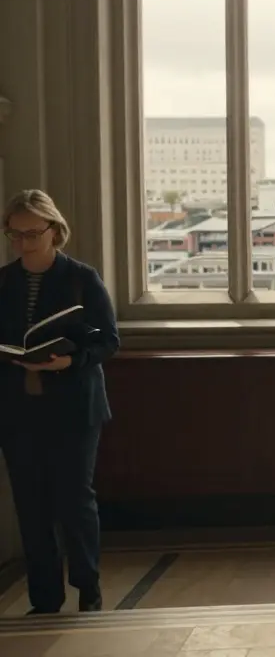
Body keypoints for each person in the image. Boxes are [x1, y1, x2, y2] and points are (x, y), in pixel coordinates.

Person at [0, 189, 120, 614]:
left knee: (73, 497)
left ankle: (88, 585)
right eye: (14, 234)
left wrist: (69, 360)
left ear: (54, 230)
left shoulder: (81, 278)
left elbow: (108, 339)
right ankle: (44, 596)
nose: (23, 243)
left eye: (32, 233)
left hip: (73, 407)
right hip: (17, 408)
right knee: (30, 504)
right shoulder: (4, 280)